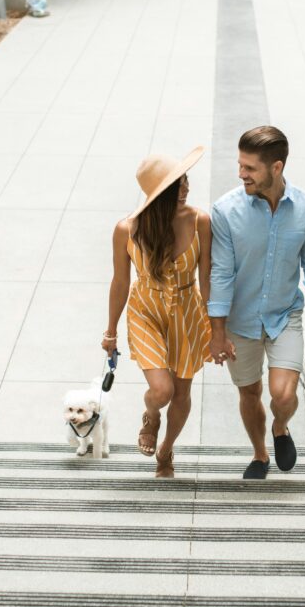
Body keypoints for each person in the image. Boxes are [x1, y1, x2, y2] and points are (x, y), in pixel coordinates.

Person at [207, 127, 305, 480]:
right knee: (249, 391)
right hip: (240, 321)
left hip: (284, 315)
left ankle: (280, 426)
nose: (241, 174)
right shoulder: (226, 211)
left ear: (276, 168)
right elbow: (221, 274)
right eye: (240, 165)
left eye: (250, 168)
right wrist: (217, 332)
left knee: (282, 393)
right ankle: (260, 454)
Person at [102, 146, 212, 479]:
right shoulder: (127, 229)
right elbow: (120, 282)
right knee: (162, 391)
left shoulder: (200, 221)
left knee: (182, 393)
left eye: (186, 180)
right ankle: (151, 414)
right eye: (176, 185)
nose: (186, 189)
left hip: (187, 311)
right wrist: (110, 332)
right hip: (146, 311)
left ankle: (166, 450)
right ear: (157, 194)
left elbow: (207, 279)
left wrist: (219, 329)